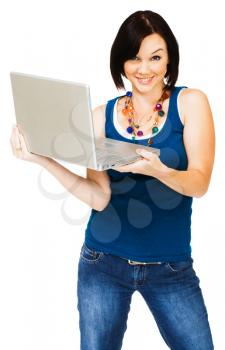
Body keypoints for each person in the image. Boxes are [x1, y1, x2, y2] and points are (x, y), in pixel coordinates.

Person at [10, 10, 215, 350]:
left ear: (169, 60)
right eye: (134, 57)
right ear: (121, 62)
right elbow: (99, 197)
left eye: (155, 57)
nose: (144, 68)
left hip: (170, 267)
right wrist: (41, 158)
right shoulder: (101, 116)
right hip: (103, 263)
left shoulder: (190, 103)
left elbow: (199, 183)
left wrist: (158, 170)